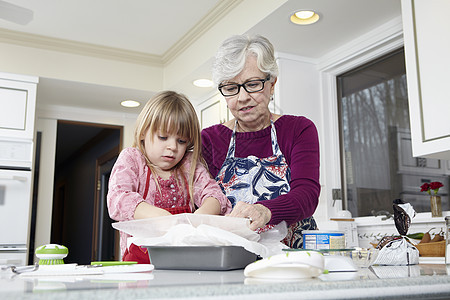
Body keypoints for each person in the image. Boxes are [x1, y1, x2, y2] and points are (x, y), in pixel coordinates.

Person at [201, 34, 320, 248]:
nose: (242, 97)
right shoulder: (209, 139)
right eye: (230, 88)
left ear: (272, 84)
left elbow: (307, 195)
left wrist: (264, 211)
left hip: (293, 258)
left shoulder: (299, 129)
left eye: (253, 84)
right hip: (232, 258)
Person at [108, 91, 232, 263]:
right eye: (163, 137)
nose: (173, 146)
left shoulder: (188, 165)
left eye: (181, 141)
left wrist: (198, 218)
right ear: (143, 132)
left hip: (184, 260)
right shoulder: (132, 159)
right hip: (140, 264)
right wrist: (163, 219)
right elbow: (117, 198)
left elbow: (215, 195)